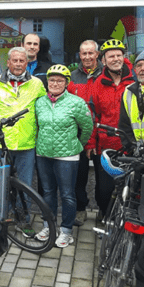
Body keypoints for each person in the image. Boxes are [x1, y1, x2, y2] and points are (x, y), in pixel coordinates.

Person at [34, 65, 93, 248]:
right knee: (48, 192)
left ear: (67, 83)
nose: (55, 83)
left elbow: (88, 127)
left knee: (67, 195)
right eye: (52, 80)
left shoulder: (76, 102)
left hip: (67, 156)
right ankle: (48, 226)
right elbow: (37, 126)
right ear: (47, 82)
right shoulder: (40, 102)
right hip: (43, 154)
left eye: (60, 80)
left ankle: (66, 231)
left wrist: (77, 145)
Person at [0, 46, 46, 187]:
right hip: (1, 144)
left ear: (26, 63)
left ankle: (23, 210)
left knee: (25, 185)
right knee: (0, 185)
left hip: (27, 144)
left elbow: (44, 112)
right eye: (14, 60)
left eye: (21, 60)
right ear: (8, 62)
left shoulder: (37, 84)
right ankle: (1, 210)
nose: (18, 63)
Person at [87, 39, 135, 220]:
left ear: (124, 57)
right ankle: (106, 215)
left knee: (129, 187)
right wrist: (91, 142)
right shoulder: (98, 83)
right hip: (105, 144)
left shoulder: (135, 80)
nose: (115, 59)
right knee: (104, 189)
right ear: (104, 60)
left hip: (130, 144)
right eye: (111, 56)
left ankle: (125, 220)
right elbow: (93, 115)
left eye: (118, 55)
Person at [68, 40, 102, 225]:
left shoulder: (105, 75)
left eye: (91, 53)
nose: (87, 57)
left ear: (97, 54)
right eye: (84, 54)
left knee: (103, 179)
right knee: (79, 178)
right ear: (79, 56)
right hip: (79, 136)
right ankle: (80, 209)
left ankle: (103, 211)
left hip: (102, 135)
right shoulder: (72, 77)